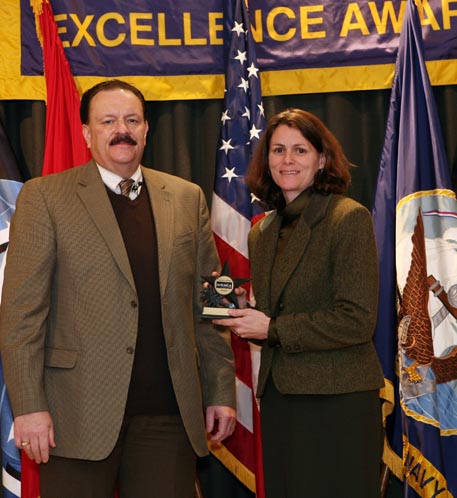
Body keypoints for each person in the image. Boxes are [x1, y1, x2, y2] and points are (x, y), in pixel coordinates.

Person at [0, 79, 236, 498]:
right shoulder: (45, 198)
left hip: (167, 416)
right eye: (108, 121)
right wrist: (29, 407)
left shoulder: (186, 197)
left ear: (147, 129)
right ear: (88, 133)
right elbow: (20, 314)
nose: (121, 130)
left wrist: (220, 390)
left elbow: (210, 305)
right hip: (73, 417)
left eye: (131, 120)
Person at [213, 108, 384, 498]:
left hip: (337, 400)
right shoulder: (264, 231)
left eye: (300, 150)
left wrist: (271, 327)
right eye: (277, 150)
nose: (287, 160)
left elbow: (356, 320)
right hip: (280, 400)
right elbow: (282, 314)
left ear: (322, 160)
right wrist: (245, 311)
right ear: (266, 159)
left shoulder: (347, 218)